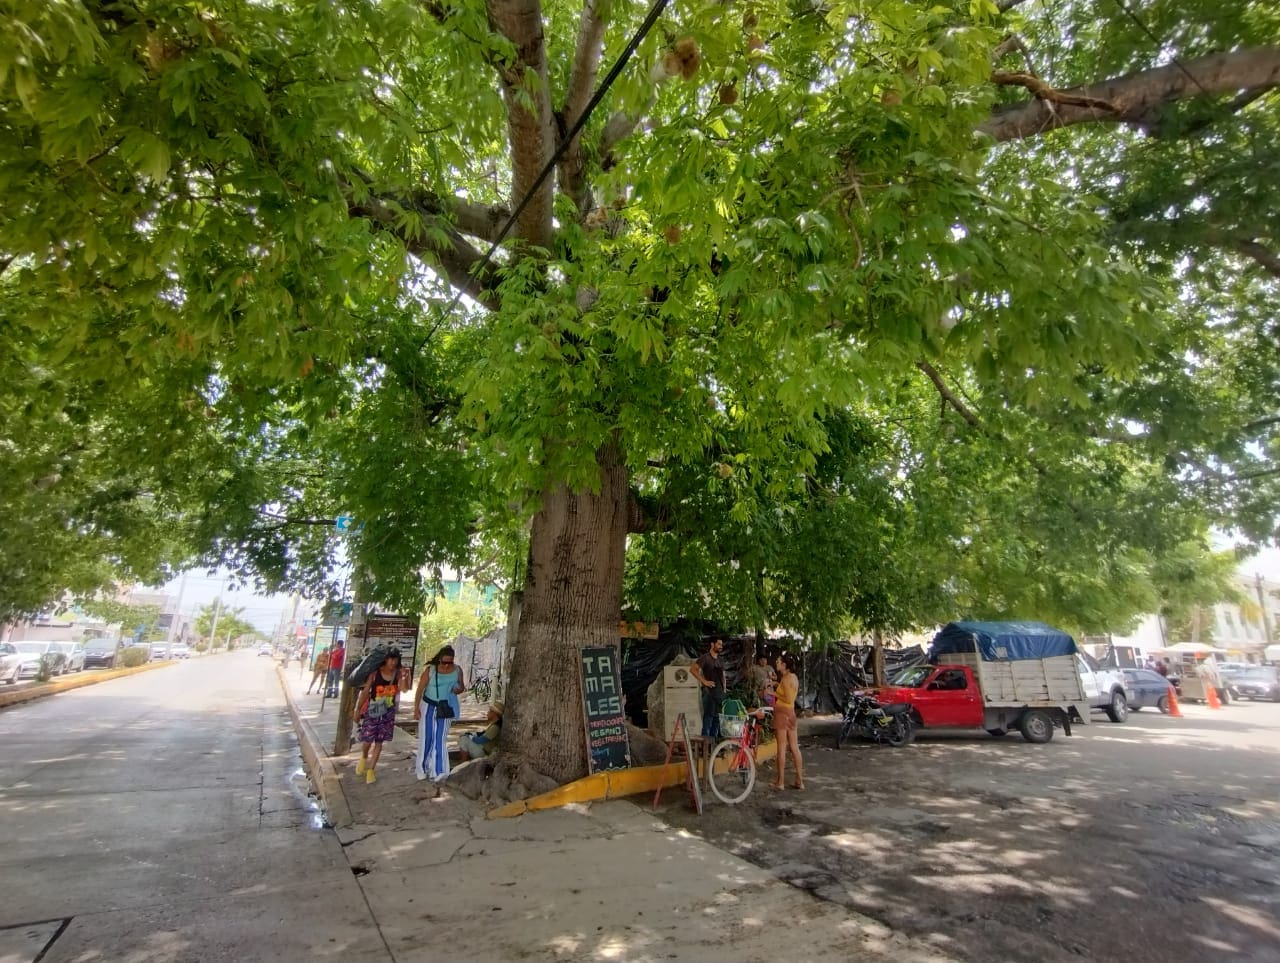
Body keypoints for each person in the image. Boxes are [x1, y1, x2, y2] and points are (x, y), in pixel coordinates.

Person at [413, 645, 465, 782]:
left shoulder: (457, 670)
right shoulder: (430, 670)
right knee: (427, 738)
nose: (447, 665)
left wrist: (458, 689)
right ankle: (422, 768)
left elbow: (462, 687)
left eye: (450, 662)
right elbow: (419, 689)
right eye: (444, 662)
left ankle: (439, 771)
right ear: (439, 660)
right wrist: (416, 708)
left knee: (440, 739)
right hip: (428, 706)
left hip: (446, 707)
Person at [355, 650, 402, 784]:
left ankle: (371, 770)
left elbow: (403, 689)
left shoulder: (398, 674)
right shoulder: (375, 674)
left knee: (379, 742)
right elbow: (365, 692)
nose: (393, 663)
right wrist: (358, 710)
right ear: (386, 659)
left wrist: (406, 677)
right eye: (391, 659)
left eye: (395, 660)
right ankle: (364, 757)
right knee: (367, 741)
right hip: (373, 710)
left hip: (388, 712)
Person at [772, 652, 803, 791]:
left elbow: (788, 698)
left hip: (782, 713)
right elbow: (788, 693)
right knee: (794, 747)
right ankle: (799, 780)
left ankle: (780, 782)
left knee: (781, 748)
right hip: (791, 713)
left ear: (784, 665)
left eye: (779, 662)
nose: (776, 663)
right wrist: (776, 684)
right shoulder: (793, 677)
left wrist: (773, 693)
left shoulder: (785, 679)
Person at [690, 638, 726, 741]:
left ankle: (713, 745)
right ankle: (705, 745)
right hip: (709, 693)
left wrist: (724, 689)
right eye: (718, 644)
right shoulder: (705, 658)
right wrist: (704, 681)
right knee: (708, 720)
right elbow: (693, 669)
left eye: (721, 644)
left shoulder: (720, 660)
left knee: (717, 720)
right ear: (712, 644)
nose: (721, 646)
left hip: (719, 694)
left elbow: (723, 675)